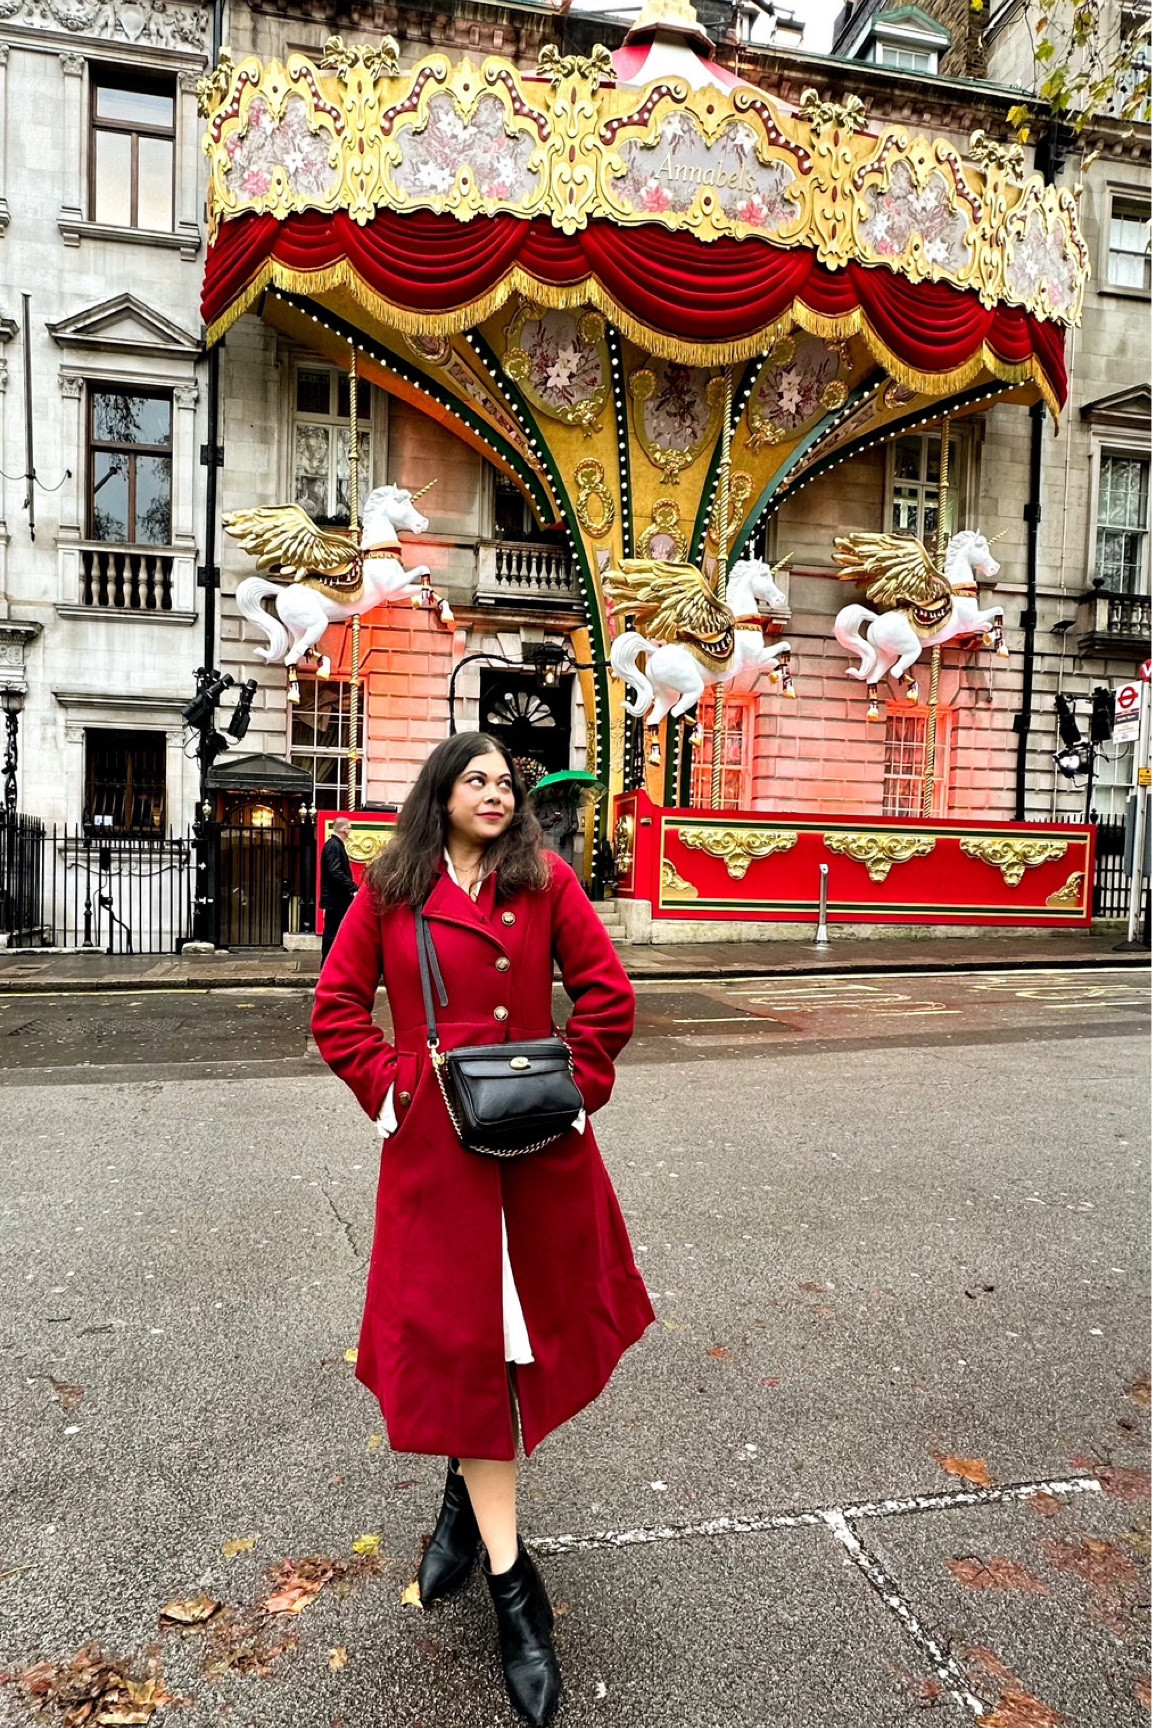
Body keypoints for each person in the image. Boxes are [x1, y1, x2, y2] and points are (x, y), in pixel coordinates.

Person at [311, 733, 654, 1725]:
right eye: (479, 779)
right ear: (441, 793)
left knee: (515, 1344)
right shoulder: (389, 890)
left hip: (536, 1152)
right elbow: (337, 1010)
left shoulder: (542, 884)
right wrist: (394, 1089)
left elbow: (609, 999)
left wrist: (577, 1084)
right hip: (437, 1157)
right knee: (465, 1346)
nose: (499, 793)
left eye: (510, 782)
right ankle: (517, 1598)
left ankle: (469, 1519)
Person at [319, 816, 357, 960]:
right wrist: (352, 887)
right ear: (344, 829)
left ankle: (331, 962)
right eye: (350, 827)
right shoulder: (334, 845)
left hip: (337, 898)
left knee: (334, 931)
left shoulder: (334, 845)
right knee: (332, 932)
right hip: (336, 899)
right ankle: (328, 962)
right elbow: (335, 871)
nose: (350, 831)